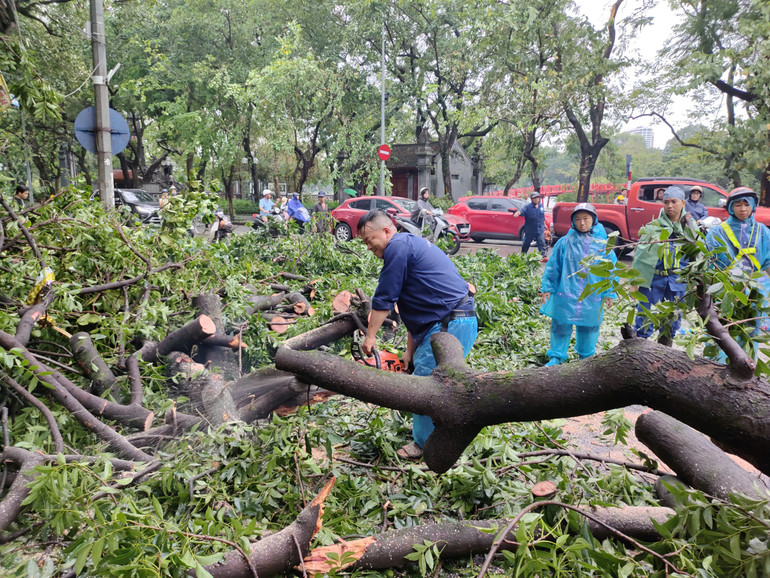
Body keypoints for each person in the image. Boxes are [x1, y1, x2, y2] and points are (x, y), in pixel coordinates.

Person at [358, 209, 477, 459]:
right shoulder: (408, 247)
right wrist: (409, 351)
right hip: (450, 321)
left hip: (450, 324)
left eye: (370, 240)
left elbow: (385, 296)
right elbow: (416, 311)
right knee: (435, 381)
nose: (368, 247)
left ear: (387, 231)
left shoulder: (397, 247)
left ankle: (427, 446)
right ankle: (440, 433)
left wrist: (370, 337)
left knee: (428, 387)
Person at [541, 203, 616, 365]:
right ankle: (556, 356)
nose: (582, 223)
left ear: (594, 220)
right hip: (566, 293)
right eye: (578, 219)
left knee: (589, 326)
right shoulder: (564, 242)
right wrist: (547, 287)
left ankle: (586, 356)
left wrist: (610, 292)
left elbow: (611, 270)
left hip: (592, 295)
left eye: (586, 219)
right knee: (561, 324)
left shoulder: (603, 246)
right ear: (573, 222)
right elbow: (554, 266)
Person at [705, 187, 770, 356]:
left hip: (755, 291)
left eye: (747, 204)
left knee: (751, 332)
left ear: (754, 206)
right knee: (724, 330)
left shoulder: (763, 232)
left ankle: (747, 371)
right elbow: (708, 264)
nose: (743, 209)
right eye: (738, 205)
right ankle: (720, 370)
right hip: (725, 291)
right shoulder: (716, 233)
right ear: (730, 208)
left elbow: (768, 262)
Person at [632, 186, 698, 343]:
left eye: (674, 202)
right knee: (644, 318)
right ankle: (639, 354)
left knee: (672, 320)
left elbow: (697, 255)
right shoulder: (654, 226)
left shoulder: (690, 227)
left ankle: (664, 356)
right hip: (653, 280)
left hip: (678, 281)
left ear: (683, 203)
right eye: (666, 202)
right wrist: (635, 281)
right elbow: (641, 255)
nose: (669, 206)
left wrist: (696, 280)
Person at [513, 191, 547, 260]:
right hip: (530, 229)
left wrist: (545, 224)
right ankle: (523, 255)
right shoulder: (528, 207)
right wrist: (517, 213)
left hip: (540, 228)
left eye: (537, 198)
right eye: (534, 198)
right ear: (531, 199)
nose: (536, 199)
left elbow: (542, 216)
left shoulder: (541, 206)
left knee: (541, 242)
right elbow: (522, 211)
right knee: (526, 243)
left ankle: (543, 256)